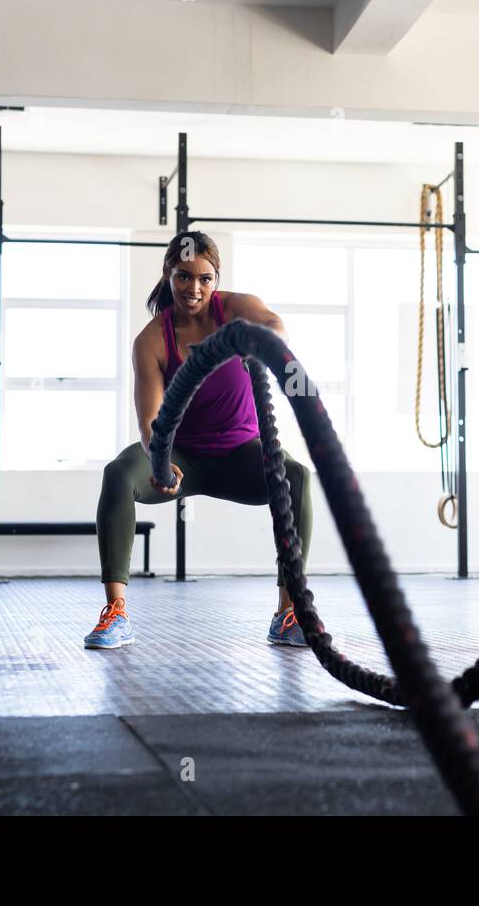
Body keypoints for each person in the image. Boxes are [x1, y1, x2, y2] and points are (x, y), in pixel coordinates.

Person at [88, 231, 314, 649]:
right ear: (168, 275)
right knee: (118, 474)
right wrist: (158, 461)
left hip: (240, 456)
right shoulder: (153, 339)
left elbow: (275, 327)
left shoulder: (236, 309)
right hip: (180, 458)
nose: (195, 288)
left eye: (205, 278)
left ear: (217, 278)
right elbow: (150, 418)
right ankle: (116, 613)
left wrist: (261, 342)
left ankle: (287, 613)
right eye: (184, 276)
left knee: (297, 477)